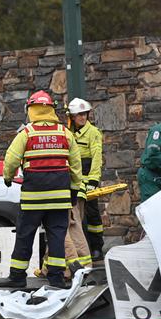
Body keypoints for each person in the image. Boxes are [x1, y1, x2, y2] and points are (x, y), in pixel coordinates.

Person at [0, 90, 83, 289]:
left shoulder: (26, 133)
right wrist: (75, 189)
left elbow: (11, 160)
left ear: (31, 110)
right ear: (51, 110)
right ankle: (57, 278)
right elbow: (76, 164)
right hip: (60, 197)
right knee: (57, 237)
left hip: (33, 197)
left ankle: (17, 277)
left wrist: (8, 178)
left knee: (25, 235)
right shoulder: (64, 133)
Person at [67, 98, 104, 261]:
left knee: (92, 213)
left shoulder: (93, 133)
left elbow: (96, 157)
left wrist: (93, 181)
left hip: (89, 178)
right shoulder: (69, 133)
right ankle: (82, 247)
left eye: (84, 114)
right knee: (77, 214)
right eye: (78, 115)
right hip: (74, 178)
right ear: (72, 117)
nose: (82, 117)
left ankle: (97, 248)